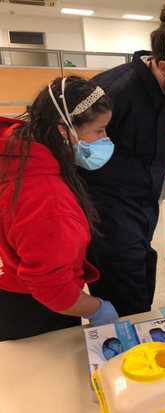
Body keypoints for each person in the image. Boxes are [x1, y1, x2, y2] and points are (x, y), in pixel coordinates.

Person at [78, 1, 165, 316]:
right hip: (108, 215)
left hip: (140, 208)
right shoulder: (113, 91)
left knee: (142, 289)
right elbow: (74, 150)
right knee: (128, 306)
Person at [0, 76, 119, 340]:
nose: (105, 138)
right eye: (99, 130)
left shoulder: (19, 147)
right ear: (64, 130)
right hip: (33, 310)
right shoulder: (46, 199)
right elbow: (50, 287)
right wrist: (97, 309)